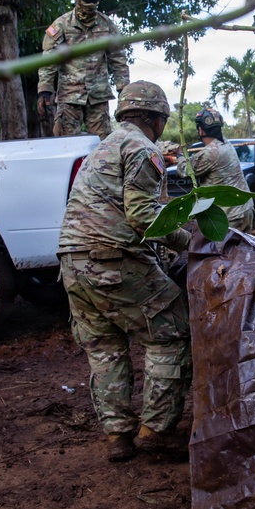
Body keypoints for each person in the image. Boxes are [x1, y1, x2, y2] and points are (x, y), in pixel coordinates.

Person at [57, 81, 193, 462]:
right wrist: (190, 241)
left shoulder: (102, 147)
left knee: (105, 348)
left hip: (71, 262)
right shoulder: (142, 148)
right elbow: (143, 216)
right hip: (111, 259)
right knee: (172, 330)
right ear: (154, 117)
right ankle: (157, 430)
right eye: (163, 119)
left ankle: (118, 436)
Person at [37, 0, 129, 140]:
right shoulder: (61, 25)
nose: (90, 4)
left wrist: (124, 89)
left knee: (103, 146)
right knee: (66, 144)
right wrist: (44, 90)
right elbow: (48, 60)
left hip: (98, 96)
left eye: (94, 0)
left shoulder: (107, 25)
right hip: (69, 97)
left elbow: (119, 59)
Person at [171, 108, 255, 231]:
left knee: (221, 249)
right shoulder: (226, 144)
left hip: (231, 215)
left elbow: (185, 170)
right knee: (242, 249)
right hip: (245, 209)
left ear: (200, 129)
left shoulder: (211, 153)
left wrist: (179, 155)